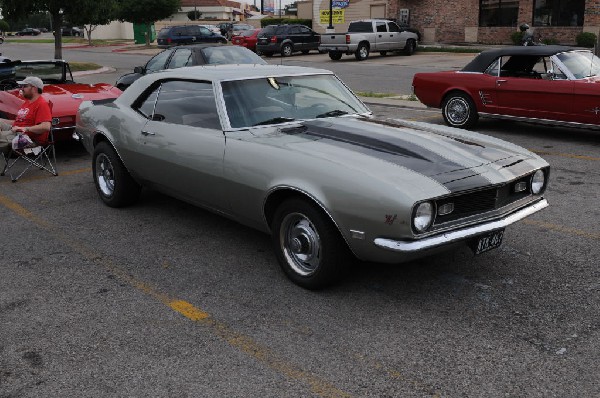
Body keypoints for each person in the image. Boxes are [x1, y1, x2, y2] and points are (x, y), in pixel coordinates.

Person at [0, 76, 52, 155]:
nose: (21, 89)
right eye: (21, 86)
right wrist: (2, 121)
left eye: (25, 86)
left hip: (28, 139)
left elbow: (46, 126)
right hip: (15, 131)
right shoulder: (27, 103)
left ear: (34, 88)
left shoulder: (42, 104)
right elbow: (19, 122)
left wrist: (24, 128)